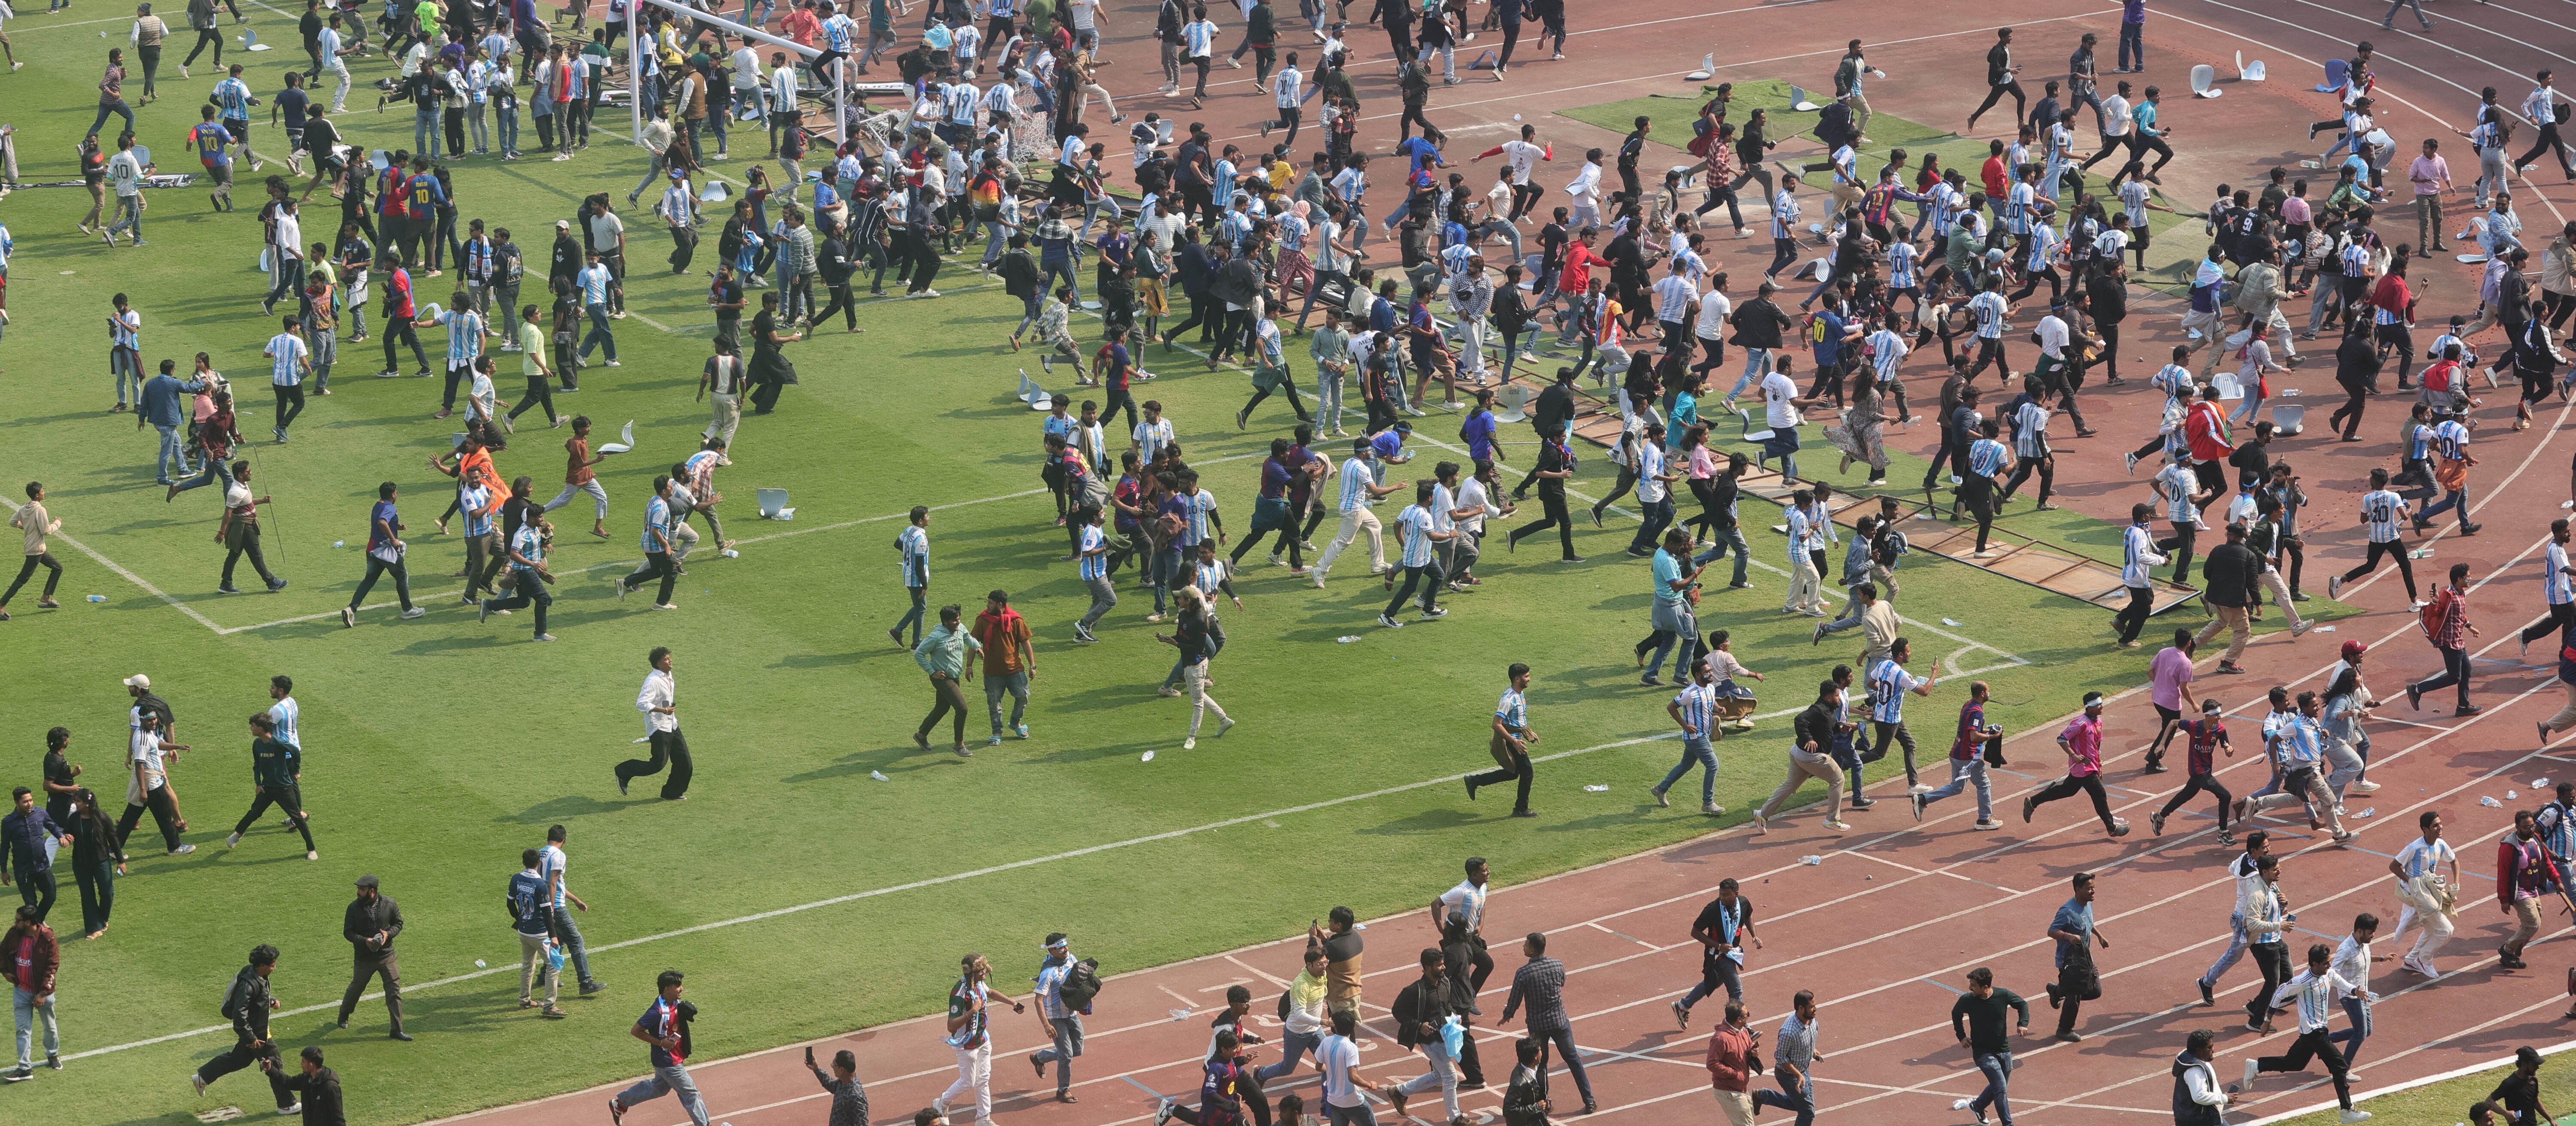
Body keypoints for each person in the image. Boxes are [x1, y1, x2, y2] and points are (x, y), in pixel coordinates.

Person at [2241, 942, 2373, 1123]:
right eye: (2326, 963)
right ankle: (2347, 1110)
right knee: (2340, 1066)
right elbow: (2279, 992)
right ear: (2315, 964)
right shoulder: (2302, 981)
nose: (2329, 965)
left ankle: (2257, 1066)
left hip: (2317, 1032)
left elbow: (2342, 983)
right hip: (2314, 1032)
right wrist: (2267, 1020)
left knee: (2294, 1063)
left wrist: (2355, 991)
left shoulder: (2329, 974)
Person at [193, 944, 298, 1113]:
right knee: (275, 1063)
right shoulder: (249, 985)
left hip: (257, 1031)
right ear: (262, 965)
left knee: (239, 1060)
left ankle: (203, 1077)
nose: (274, 968)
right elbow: (239, 1015)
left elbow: (257, 999)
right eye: (272, 965)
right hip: (257, 1034)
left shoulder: (255, 974)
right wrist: (251, 1038)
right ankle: (287, 1105)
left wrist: (271, 1000)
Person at [610, 970, 709, 1126]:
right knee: (691, 1094)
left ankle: (621, 1103)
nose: (681, 988)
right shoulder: (656, 1012)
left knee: (659, 1088)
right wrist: (661, 1043)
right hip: (668, 1062)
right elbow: (636, 1031)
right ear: (667, 989)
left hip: (672, 1058)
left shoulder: (673, 1003)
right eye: (678, 986)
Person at [2022, 692, 2128, 836]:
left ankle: (2033, 802)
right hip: (2082, 768)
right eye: (2098, 705)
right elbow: (2062, 739)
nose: (2102, 706)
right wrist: (2074, 755)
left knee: (2068, 790)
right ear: (2090, 707)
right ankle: (2112, 828)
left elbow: (2097, 744)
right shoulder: (2080, 724)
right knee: (2100, 795)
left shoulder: (2098, 722)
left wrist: (2099, 764)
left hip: (2091, 767)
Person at [1754, 679, 1850, 834]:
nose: (1839, 698)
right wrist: (1808, 738)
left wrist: (1841, 729)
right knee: (1838, 779)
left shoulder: (1828, 709)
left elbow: (1829, 726)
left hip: (1798, 754)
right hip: (1811, 757)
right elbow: (1800, 720)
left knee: (1790, 786)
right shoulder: (1818, 709)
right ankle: (1833, 819)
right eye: (1837, 696)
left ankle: (1762, 814)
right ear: (1828, 697)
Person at [937, 952, 1025, 1123]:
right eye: (980, 970)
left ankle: (984, 1119)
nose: (985, 972)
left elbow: (990, 992)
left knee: (983, 1079)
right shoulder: (959, 993)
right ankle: (942, 1103)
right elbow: (951, 1026)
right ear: (970, 973)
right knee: (967, 1082)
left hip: (983, 1039)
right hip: (966, 1043)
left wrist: (1013, 1003)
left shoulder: (979, 983)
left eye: (985, 968)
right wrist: (973, 1011)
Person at [1380, 947, 1459, 1124]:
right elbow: (1397, 1011)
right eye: (1439, 965)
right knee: (1450, 1076)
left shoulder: (1445, 983)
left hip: (1445, 1038)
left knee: (1439, 1075)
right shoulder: (1414, 990)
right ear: (1427, 967)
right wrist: (1418, 1026)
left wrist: (1454, 1016)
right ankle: (1456, 1118)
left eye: (1443, 963)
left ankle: (1400, 1091)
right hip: (1430, 1041)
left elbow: (1448, 1006)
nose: (1443, 967)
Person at [225, 713, 316, 859]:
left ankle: (311, 849)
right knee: (254, 813)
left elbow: (295, 752)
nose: (251, 729)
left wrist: (296, 770)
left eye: (253, 726)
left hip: (284, 788)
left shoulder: (278, 743)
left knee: (298, 818)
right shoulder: (257, 744)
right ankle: (238, 835)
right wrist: (258, 784)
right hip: (267, 788)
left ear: (260, 729)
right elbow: (257, 765)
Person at [1948, 967, 2030, 1126]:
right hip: (1983, 1053)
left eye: (1973, 985)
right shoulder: (1968, 1000)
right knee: (2000, 1090)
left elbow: (2023, 1005)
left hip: (2004, 1050)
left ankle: (1977, 1106)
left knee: (1999, 1086)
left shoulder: (2003, 995)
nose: (1970, 988)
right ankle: (2008, 1124)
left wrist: (2022, 1024)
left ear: (1986, 987)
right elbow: (1956, 1014)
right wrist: (1962, 1037)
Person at [1915, 680, 2002, 828]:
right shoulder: (1977, 712)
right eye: (1988, 691)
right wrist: (1991, 737)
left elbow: (1970, 731)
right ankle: (1984, 819)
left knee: (1956, 787)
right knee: (1983, 784)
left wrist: (1991, 731)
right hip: (1968, 757)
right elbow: (1974, 736)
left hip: (1956, 754)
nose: (1989, 693)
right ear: (1982, 694)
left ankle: (1923, 800)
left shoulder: (1968, 705)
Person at [334, 873, 407, 1039]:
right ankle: (344, 1015)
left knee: (394, 991)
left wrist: (388, 935)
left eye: (362, 889)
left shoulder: (389, 904)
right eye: (359, 889)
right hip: (364, 958)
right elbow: (348, 932)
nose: (358, 892)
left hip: (387, 956)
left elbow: (399, 924)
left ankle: (397, 1030)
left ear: (372, 891)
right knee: (356, 989)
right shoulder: (353, 908)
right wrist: (364, 941)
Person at [617, 646, 691, 799]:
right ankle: (623, 771)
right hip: (659, 728)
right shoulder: (653, 681)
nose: (670, 660)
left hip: (672, 725)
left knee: (685, 763)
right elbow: (641, 704)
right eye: (666, 659)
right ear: (658, 664)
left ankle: (672, 793)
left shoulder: (668, 676)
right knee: (657, 765)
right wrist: (663, 710)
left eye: (670, 657)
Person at [539, 823, 605, 996]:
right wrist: (551, 910)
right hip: (556, 907)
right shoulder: (559, 855)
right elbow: (553, 883)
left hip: (544, 903)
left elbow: (556, 884)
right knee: (576, 941)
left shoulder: (541, 853)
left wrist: (576, 900)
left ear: (548, 838)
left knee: (559, 940)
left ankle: (544, 974)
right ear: (564, 841)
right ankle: (586, 982)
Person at [1654, 656, 1726, 815]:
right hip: (1696, 737)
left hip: (1704, 735)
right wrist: (1685, 726)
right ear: (1698, 675)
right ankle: (1708, 803)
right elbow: (1671, 707)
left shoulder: (1711, 687)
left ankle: (1661, 789)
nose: (1711, 674)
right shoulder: (1689, 693)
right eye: (1707, 672)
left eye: (1711, 671)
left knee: (1686, 765)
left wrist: (1719, 708)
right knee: (1713, 765)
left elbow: (1711, 701)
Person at [2408, 562, 2481, 715]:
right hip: (2449, 642)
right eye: (2468, 577)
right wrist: (2435, 601)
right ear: (2460, 579)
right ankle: (2417, 689)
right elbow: (2435, 612)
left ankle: (2463, 706)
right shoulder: (2446, 594)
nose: (2471, 579)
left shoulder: (2461, 593)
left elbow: (2459, 614)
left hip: (2458, 640)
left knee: (2466, 670)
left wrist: (2469, 626)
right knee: (2455, 677)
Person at [117, 704, 191, 856]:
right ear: (142, 720)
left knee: (130, 818)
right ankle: (175, 847)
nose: (154, 723)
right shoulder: (142, 739)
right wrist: (144, 790)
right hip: (151, 784)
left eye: (156, 719)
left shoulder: (147, 733)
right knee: (164, 816)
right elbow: (139, 765)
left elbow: (158, 744)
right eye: (150, 720)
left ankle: (113, 849)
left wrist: (177, 747)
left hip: (150, 782)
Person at [2043, 871, 2107, 1042]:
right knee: (2075, 995)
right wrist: (2068, 937)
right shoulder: (2067, 911)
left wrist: (2100, 936)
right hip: (2069, 960)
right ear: (2078, 890)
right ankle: (2064, 1030)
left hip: (2085, 957)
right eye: (2089, 889)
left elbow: (2088, 923)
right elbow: (2052, 931)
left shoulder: (2087, 904)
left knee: (2095, 991)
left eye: (2093, 888)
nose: (2093, 891)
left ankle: (2058, 991)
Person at [1469, 665, 1538, 817]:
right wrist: (1514, 742)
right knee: (1527, 772)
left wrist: (1527, 731)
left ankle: (1474, 781)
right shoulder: (1508, 699)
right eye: (1527, 676)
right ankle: (1521, 808)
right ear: (1517, 679)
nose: (1529, 679)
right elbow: (1496, 724)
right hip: (1511, 742)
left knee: (1513, 773)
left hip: (1516, 739)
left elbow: (1516, 720)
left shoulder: (1519, 694)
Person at [913, 604, 982, 758]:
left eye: (958, 619)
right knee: (962, 708)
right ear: (945, 622)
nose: (958, 623)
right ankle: (959, 745)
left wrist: (977, 647)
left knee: (942, 708)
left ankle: (921, 735)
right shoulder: (936, 637)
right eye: (954, 621)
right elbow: (919, 654)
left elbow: (967, 638)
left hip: (955, 676)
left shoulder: (960, 628)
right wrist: (932, 672)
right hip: (942, 678)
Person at [506, 847, 565, 1018]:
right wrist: (553, 936)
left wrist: (520, 920)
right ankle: (549, 1006)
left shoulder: (516, 879)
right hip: (540, 934)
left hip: (524, 932)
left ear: (524, 862)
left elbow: (510, 904)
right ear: (539, 863)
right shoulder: (540, 885)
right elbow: (548, 913)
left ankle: (525, 1000)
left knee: (528, 966)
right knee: (553, 966)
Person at [2, 904, 56, 1082]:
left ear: (28, 922)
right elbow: (1, 952)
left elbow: (52, 967)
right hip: (21, 990)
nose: (14, 923)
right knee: (22, 1030)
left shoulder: (48, 938)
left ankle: (53, 1054)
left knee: (49, 1026)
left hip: (42, 994)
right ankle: (25, 1068)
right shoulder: (14, 934)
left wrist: (42, 994)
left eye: (18, 920)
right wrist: (5, 972)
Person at [1028, 932, 1084, 1103]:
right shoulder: (1048, 973)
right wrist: (1046, 1025)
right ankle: (1063, 1090)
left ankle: (1040, 1058)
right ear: (1051, 951)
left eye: (1066, 945)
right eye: (1061, 947)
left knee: (1077, 1050)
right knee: (1066, 1055)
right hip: (1056, 1018)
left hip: (1072, 1014)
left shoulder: (1071, 959)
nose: (1065, 949)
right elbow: (1038, 1001)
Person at [2, 482, 65, 622]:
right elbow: (46, 530)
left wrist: (26, 527)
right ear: (37, 495)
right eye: (43, 491)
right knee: (22, 580)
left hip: (36, 549)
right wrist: (58, 523)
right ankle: (1, 605)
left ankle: (47, 597)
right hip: (36, 550)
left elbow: (13, 522)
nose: (44, 492)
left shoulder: (25, 507)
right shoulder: (40, 510)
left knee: (57, 568)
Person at [2172, 1029, 2231, 1126]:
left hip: (2207, 1118)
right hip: (2200, 1121)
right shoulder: (2195, 1070)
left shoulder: (2199, 1060)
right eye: (2209, 1048)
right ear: (2199, 1050)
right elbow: (2199, 1096)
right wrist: (2224, 1098)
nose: (2213, 1050)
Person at [893, 505, 932, 647]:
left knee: (918, 606)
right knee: (921, 608)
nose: (929, 518)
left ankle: (897, 631)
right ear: (921, 521)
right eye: (927, 516)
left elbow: (897, 544)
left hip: (907, 574)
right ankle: (917, 643)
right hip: (916, 578)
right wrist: (925, 585)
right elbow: (920, 566)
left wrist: (908, 554)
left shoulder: (909, 530)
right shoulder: (921, 538)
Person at [273, 1046, 343, 1126]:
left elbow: (338, 1119)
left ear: (311, 1065)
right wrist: (270, 1069)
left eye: (303, 1062)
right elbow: (288, 1082)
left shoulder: (330, 1087)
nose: (301, 1064)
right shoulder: (307, 1079)